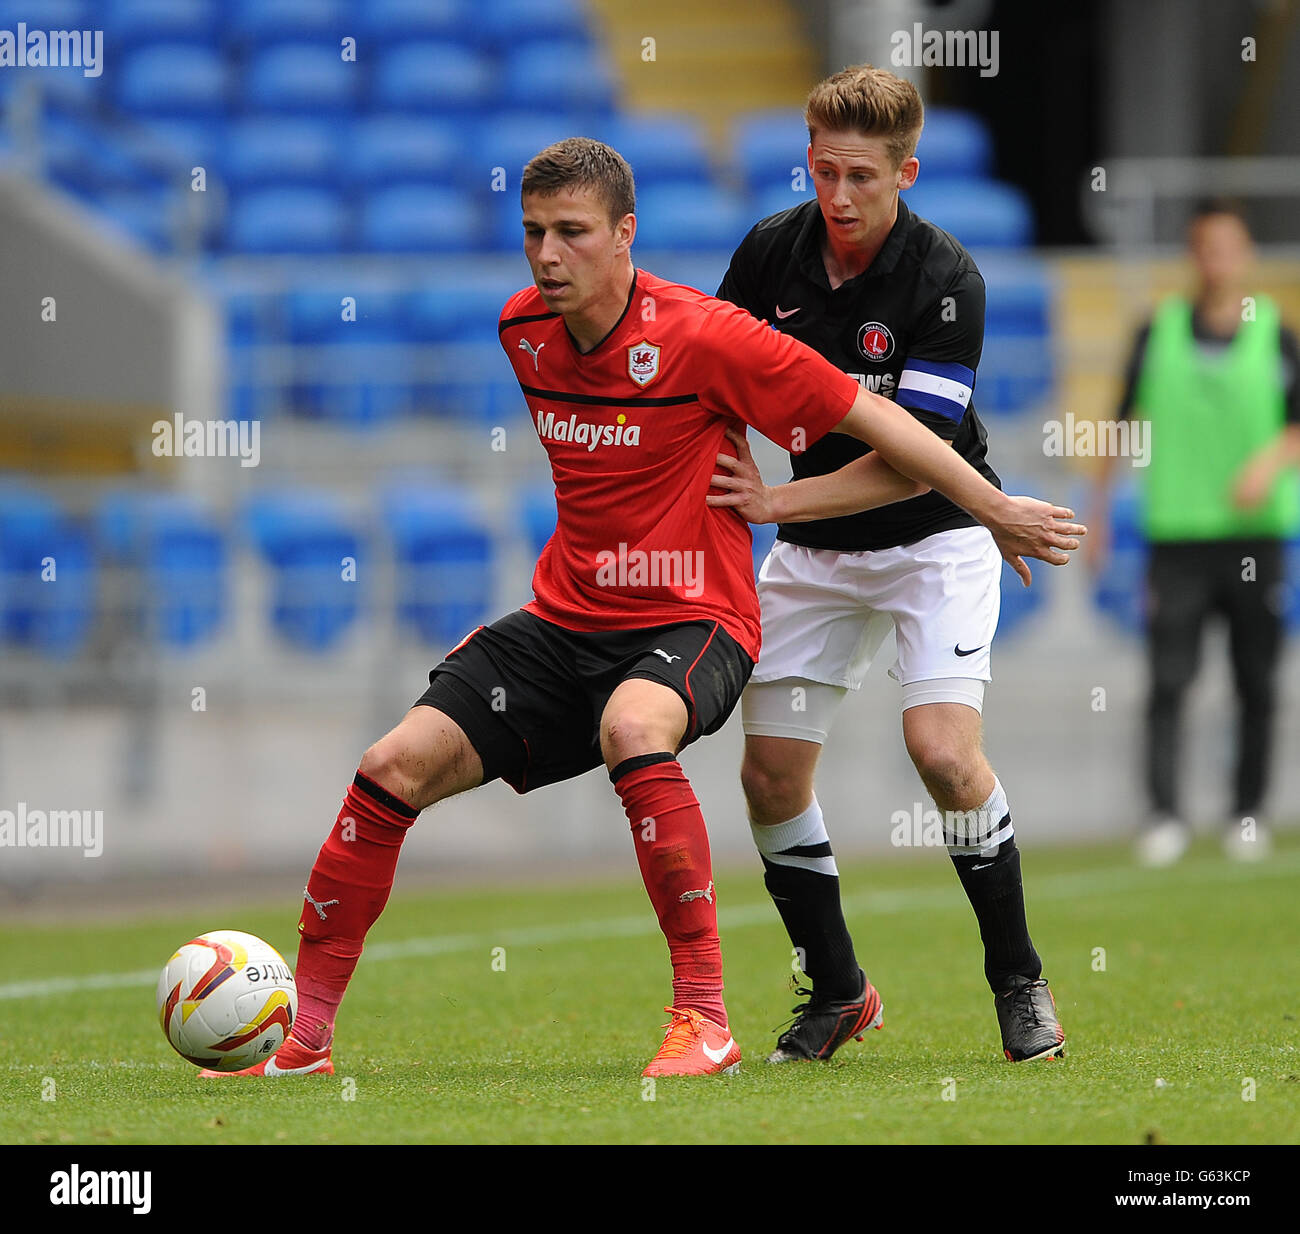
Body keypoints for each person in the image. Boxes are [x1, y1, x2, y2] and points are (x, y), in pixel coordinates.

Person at [202, 137, 1081, 1081]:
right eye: (534, 232)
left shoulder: (709, 335)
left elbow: (879, 421)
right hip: (564, 620)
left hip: (695, 621)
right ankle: (307, 1039)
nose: (547, 255)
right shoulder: (522, 331)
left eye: (572, 234)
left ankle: (705, 1019)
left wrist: (993, 509)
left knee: (637, 724)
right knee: (389, 766)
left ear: (625, 235)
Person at [708, 64, 1069, 1064]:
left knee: (944, 753)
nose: (838, 197)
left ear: (905, 170)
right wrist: (731, 473)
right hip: (815, 554)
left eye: (862, 176)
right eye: (822, 171)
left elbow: (909, 467)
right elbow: (712, 384)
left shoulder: (946, 279)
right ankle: (836, 991)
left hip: (936, 537)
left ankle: (1018, 981)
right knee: (770, 773)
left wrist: (769, 502)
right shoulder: (769, 255)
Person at [1089, 200, 1300, 868]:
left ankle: (1247, 813)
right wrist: (1096, 515)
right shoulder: (1159, 333)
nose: (1218, 261)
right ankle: (1164, 814)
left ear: (1244, 257)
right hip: (1176, 534)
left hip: (1254, 537)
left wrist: (1269, 462)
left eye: (1229, 248)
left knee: (1256, 680)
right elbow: (1118, 422)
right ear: (1194, 255)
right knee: (1168, 680)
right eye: (1206, 248)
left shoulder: (1275, 334)